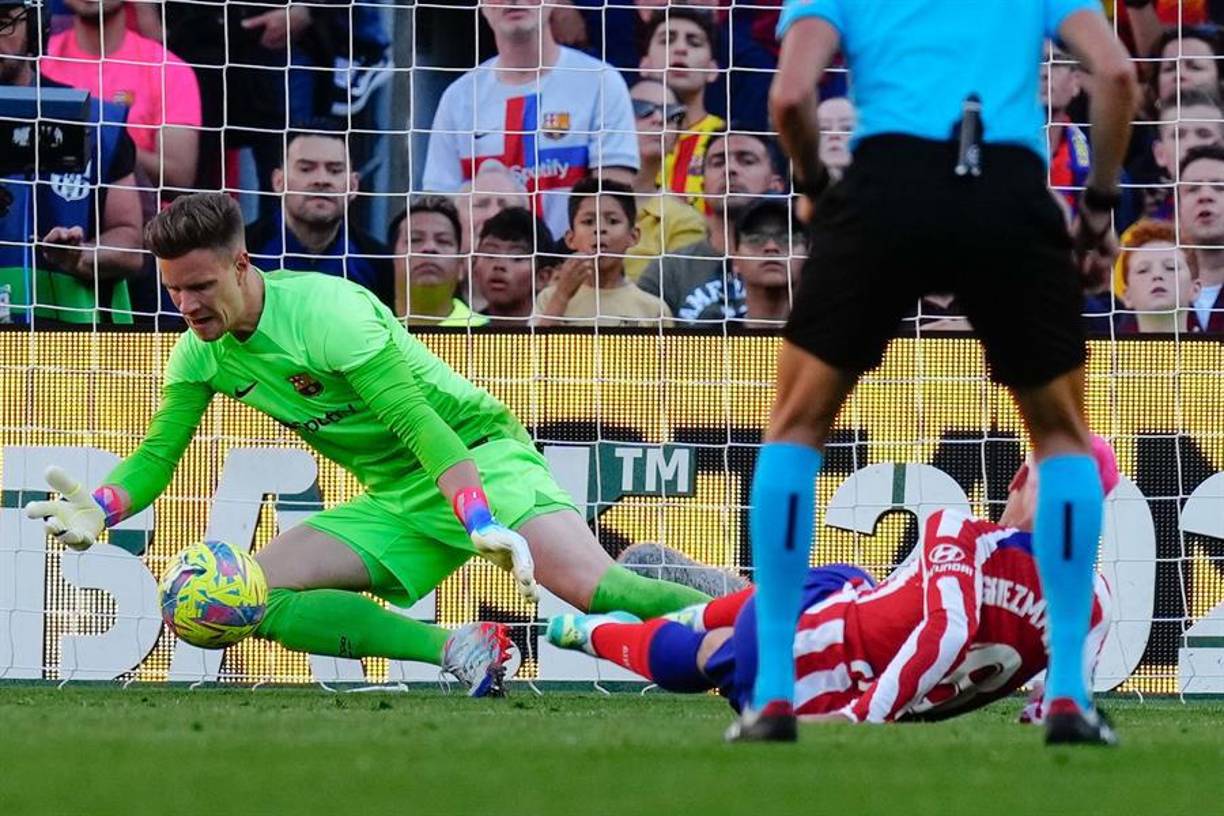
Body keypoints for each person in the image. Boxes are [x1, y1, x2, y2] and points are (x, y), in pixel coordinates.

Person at [24, 192, 711, 695]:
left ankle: (771, 612)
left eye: (201, 287)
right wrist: (105, 508)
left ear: (240, 264)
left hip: (476, 457)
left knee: (597, 590)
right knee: (256, 598)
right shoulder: (198, 355)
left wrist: (477, 518)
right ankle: (460, 648)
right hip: (399, 496)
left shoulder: (330, 316)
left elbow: (421, 425)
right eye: (174, 292)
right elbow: (154, 458)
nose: (189, 307)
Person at [742, 0, 1138, 744]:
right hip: (1007, 187)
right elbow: (1116, 73)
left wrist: (822, 191)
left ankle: (772, 694)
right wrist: (1098, 208)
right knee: (1060, 436)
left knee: (796, 423)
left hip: (887, 183)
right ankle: (1068, 693)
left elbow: (790, 95)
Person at [548, 440, 1117, 728]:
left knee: (712, 656)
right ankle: (690, 612)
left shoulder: (970, 537)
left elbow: (1050, 689)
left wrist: (859, 716)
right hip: (844, 605)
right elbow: (960, 635)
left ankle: (597, 634)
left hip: (830, 668)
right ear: (1020, 479)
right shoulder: (1084, 597)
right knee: (839, 581)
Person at [421, 0, 639, 240]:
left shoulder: (600, 82)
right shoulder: (458, 98)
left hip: (575, 269)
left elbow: (612, 202)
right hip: (484, 272)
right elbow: (440, 209)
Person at [0, 0, 143, 325]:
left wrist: (80, 257)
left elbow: (131, 247)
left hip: (70, 349)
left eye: (4, 22)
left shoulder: (97, 124)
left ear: (36, 29)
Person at [41, 0, 201, 192]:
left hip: (149, 217)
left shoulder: (169, 69)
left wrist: (102, 142)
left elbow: (179, 176)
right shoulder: (39, 61)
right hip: (51, 213)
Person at [638, 130, 785, 323]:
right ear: (702, 186)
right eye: (718, 162)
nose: (730, 169)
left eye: (747, 160)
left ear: (776, 184)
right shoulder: (669, 271)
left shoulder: (797, 263)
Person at [245, 128, 392, 306]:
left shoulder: (379, 262)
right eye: (306, 169)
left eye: (335, 170)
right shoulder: (244, 251)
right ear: (278, 182)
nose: (321, 180)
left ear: (353, 185)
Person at [535, 178, 672, 326]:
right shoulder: (549, 298)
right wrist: (561, 297)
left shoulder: (653, 310)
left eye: (612, 221)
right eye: (588, 221)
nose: (600, 229)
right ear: (570, 239)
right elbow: (537, 348)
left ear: (633, 236)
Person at [638, 9, 725, 206]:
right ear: (645, 65)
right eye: (667, 40)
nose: (680, 49)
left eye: (694, 43)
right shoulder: (621, 138)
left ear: (712, 70)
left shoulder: (727, 140)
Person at [626, 78, 708, 281]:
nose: (658, 118)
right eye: (641, 109)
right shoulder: (572, 195)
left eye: (672, 114)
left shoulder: (685, 220)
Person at [389, 196, 488, 327]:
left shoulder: (487, 335)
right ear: (392, 259)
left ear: (460, 267)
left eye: (443, 241)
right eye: (415, 239)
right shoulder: (367, 330)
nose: (430, 248)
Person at [1114, 219, 1200, 334]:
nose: (1157, 275)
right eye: (1143, 270)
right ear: (1127, 295)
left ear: (1195, 289)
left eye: (1171, 268)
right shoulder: (1104, 352)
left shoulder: (1216, 351)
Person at [729, 199, 806, 328]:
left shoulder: (831, 338)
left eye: (787, 238)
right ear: (735, 260)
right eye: (755, 239)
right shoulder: (715, 340)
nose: (771, 247)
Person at [473, 206, 554, 324]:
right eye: (490, 254)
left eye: (516, 257)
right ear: (474, 269)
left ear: (542, 277)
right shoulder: (461, 333)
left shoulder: (564, 335)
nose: (499, 265)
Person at [1175, 145, 1224, 332]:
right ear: (1177, 209)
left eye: (1219, 187)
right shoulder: (1154, 285)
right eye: (1193, 189)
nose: (1205, 196)